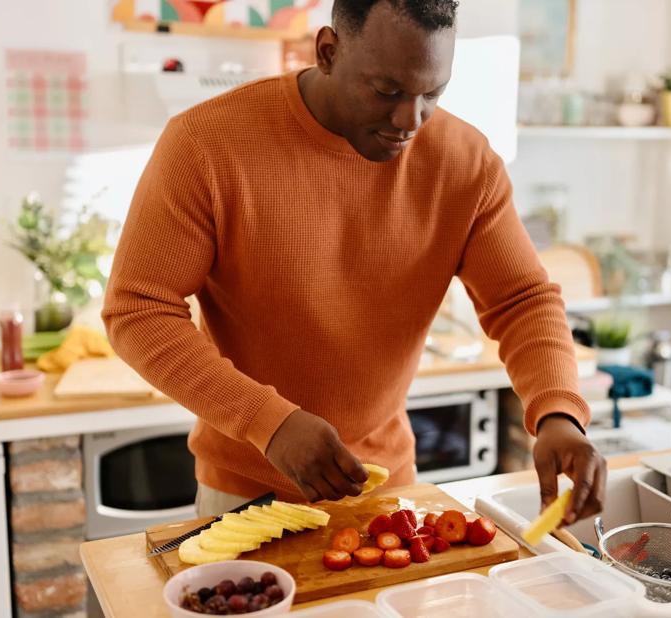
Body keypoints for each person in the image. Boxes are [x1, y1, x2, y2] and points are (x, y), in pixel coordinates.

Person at [102, 0, 606, 525]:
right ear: (327, 50)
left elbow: (521, 299)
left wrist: (558, 413)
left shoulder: (466, 163)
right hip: (246, 494)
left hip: (387, 485)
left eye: (432, 94)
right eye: (387, 90)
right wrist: (269, 423)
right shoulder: (206, 144)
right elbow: (138, 311)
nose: (410, 120)